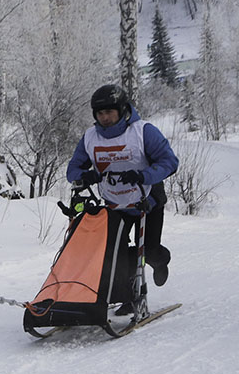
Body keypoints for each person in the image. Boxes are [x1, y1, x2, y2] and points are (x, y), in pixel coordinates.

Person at [66, 83, 178, 289]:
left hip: (148, 201)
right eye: (100, 113)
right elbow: (72, 170)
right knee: (115, 254)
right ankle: (128, 294)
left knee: (149, 250)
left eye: (109, 112)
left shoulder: (144, 131)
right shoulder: (90, 138)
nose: (105, 118)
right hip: (114, 204)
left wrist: (143, 176)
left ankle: (160, 261)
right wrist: (86, 176)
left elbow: (169, 162)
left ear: (122, 109)